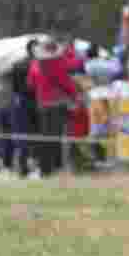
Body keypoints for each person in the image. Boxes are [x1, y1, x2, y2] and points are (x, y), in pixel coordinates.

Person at [28, 39, 78, 177]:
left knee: (45, 136)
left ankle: (44, 169)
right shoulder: (57, 62)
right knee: (56, 137)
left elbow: (31, 84)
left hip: (42, 104)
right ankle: (55, 168)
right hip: (57, 104)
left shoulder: (35, 64)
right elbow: (66, 82)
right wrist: (74, 96)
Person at [9, 39, 40, 177]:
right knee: (35, 135)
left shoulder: (18, 64)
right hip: (33, 102)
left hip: (23, 102)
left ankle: (24, 168)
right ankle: (32, 166)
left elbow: (14, 88)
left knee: (25, 137)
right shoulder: (40, 64)